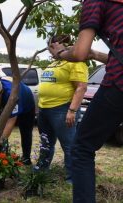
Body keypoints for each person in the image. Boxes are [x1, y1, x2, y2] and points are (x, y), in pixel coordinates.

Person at [48, 1, 123, 202]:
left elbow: (79, 53)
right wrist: (95, 54)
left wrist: (61, 53)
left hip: (119, 85)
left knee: (81, 149)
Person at [36, 35, 88, 183]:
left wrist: (72, 111)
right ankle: (42, 168)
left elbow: (81, 87)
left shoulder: (75, 61)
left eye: (53, 46)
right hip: (44, 108)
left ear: (63, 45)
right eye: (49, 46)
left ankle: (73, 177)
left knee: (69, 144)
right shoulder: (54, 63)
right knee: (46, 142)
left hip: (62, 108)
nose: (50, 49)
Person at [0, 76, 35, 165]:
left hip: (26, 103)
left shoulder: (11, 94)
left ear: (1, 92)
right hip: (3, 103)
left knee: (25, 130)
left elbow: (10, 122)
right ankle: (2, 157)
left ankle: (26, 158)